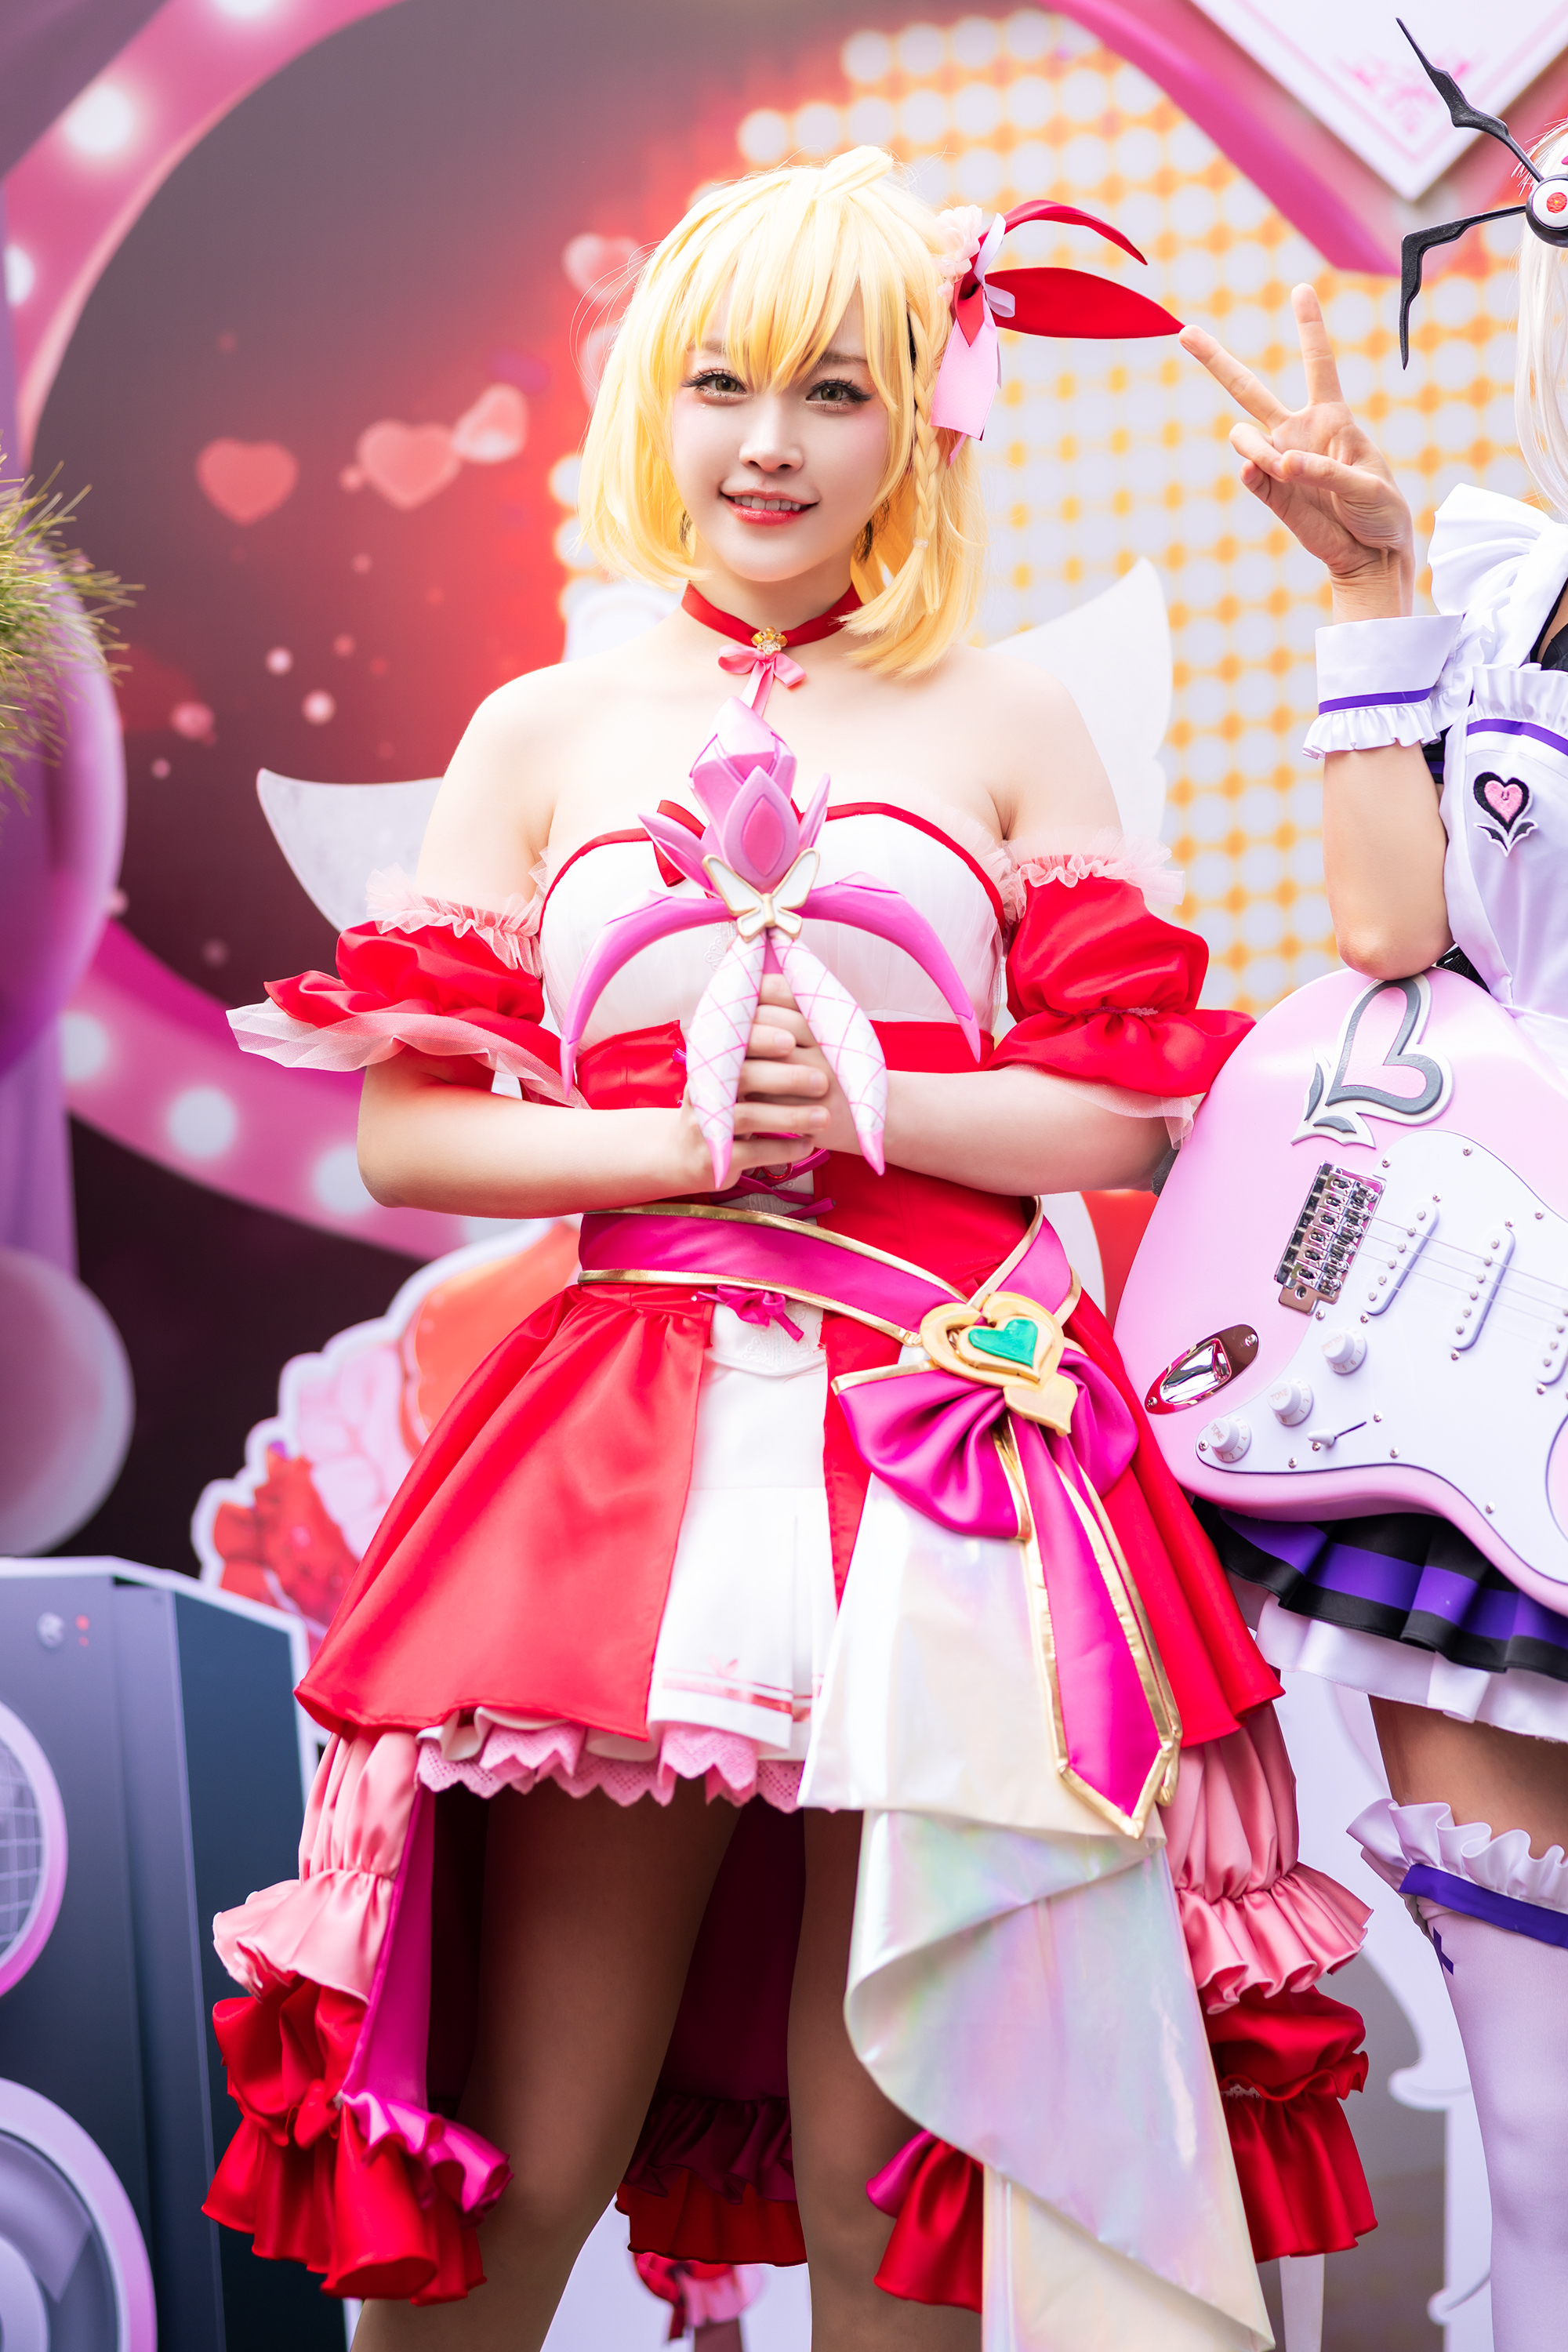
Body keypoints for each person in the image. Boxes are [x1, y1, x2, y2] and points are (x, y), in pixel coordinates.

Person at [206, 150, 1372, 2351]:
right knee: (521, 2155)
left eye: (835, 391)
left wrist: (867, 1108)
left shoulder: (1008, 716)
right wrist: (669, 1142)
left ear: (923, 418)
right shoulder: (543, 729)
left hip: (955, 1463)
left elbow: (1125, 1106)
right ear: (649, 402)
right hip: (628, 1461)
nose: (770, 444)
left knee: (897, 2177)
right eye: (723, 383)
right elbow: (405, 1124)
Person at [1181, 119, 1568, 2352]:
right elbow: (1388, 934)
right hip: (1511, 1358)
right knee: (1544, 2119)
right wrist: (1371, 592)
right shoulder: (1505, 590)